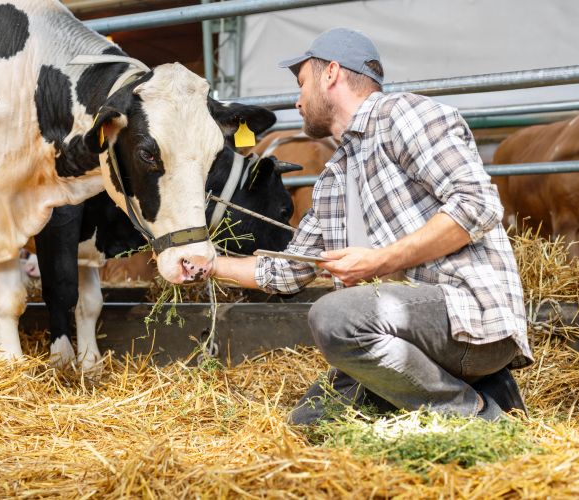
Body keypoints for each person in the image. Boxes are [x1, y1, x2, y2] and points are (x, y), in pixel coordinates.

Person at [211, 28, 533, 423]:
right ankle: (485, 387)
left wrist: (377, 262)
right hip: (412, 331)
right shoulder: (333, 178)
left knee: (333, 317)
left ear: (331, 73)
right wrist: (207, 265)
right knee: (312, 419)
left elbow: (477, 205)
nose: (297, 100)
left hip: (467, 313)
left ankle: (473, 414)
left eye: (302, 83)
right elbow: (287, 269)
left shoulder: (404, 116)